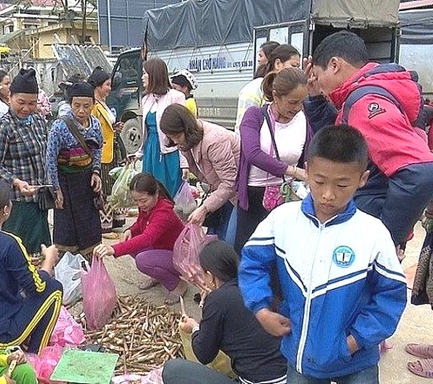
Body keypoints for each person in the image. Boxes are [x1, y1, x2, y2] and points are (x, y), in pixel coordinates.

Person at [239, 126, 407, 384]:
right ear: (307, 170)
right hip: (300, 357)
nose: (328, 194)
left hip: (356, 361)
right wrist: (261, 309)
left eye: (342, 184)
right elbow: (252, 263)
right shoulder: (283, 220)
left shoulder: (373, 233)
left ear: (362, 179)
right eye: (319, 181)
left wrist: (354, 341)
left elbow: (391, 296)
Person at [304, 30, 433, 247]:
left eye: (318, 74)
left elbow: (418, 172)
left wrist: (385, 236)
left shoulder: (365, 102)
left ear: (334, 65)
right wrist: (316, 100)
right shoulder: (369, 91)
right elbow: (344, 145)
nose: (318, 83)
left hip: (365, 228)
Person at [162, 240, 287, 384]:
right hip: (288, 374)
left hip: (260, 381)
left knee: (173, 370)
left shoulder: (217, 300)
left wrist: (194, 327)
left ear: (210, 275)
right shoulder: (255, 287)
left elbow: (204, 354)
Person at [0, 179, 63, 353]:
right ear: (5, 210)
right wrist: (49, 260)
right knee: (54, 288)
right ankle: (35, 354)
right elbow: (37, 287)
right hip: (0, 335)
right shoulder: (9, 243)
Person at [234, 67, 311, 253]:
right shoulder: (254, 116)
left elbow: (310, 152)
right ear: (276, 96)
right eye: (292, 102)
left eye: (302, 102)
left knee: (281, 252)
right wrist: (292, 171)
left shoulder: (302, 118)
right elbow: (252, 153)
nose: (297, 108)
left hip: (287, 195)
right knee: (249, 252)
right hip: (255, 197)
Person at [93, 173, 187, 305]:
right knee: (130, 240)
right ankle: (157, 275)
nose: (140, 204)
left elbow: (147, 238)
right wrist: (129, 230)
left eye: (143, 200)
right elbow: (140, 223)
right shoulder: (149, 206)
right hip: (161, 249)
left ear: (155, 194)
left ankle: (178, 285)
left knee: (143, 260)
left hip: (179, 256)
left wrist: (113, 249)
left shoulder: (164, 212)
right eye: (136, 201)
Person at [0, 68, 51, 257]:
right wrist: (16, 182)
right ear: (10, 97)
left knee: (40, 251)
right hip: (16, 203)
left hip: (39, 201)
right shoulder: (2, 126)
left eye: (32, 103)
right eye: (21, 102)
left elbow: (45, 156)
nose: (26, 108)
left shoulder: (39, 121)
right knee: (19, 253)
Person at [159, 104, 240, 245]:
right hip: (225, 194)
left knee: (230, 243)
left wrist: (204, 208)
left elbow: (230, 184)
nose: (176, 141)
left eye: (177, 136)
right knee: (216, 240)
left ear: (187, 128)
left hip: (242, 195)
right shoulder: (187, 143)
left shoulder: (215, 141)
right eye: (172, 138)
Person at [46, 82, 103, 256]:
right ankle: (67, 269)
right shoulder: (60, 127)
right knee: (67, 227)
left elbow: (98, 148)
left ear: (93, 104)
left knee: (89, 225)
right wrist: (56, 189)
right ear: (70, 104)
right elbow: (50, 160)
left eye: (86, 106)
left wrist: (96, 172)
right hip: (66, 183)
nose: (81, 110)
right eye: (76, 105)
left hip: (86, 182)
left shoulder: (95, 124)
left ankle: (90, 265)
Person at [137, 58, 187, 197]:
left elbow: (182, 130)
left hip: (170, 152)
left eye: (144, 73)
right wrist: (139, 153)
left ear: (154, 75)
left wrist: (184, 162)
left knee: (170, 193)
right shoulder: (146, 99)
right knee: (149, 192)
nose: (142, 77)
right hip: (150, 151)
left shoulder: (176, 97)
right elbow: (146, 130)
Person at [88, 67, 126, 231]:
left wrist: (114, 128)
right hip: (102, 152)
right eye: (107, 85)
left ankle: (114, 220)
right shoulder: (93, 106)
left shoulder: (103, 104)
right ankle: (105, 222)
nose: (110, 89)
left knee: (111, 185)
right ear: (98, 86)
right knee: (103, 186)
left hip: (111, 151)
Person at [235, 44, 300, 130]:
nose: (297, 71)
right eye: (294, 66)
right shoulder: (254, 88)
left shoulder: (294, 90)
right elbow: (243, 127)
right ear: (277, 64)